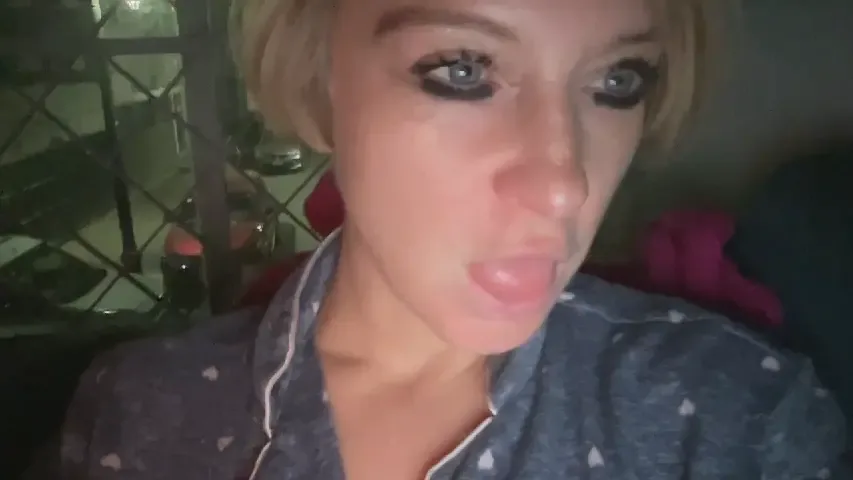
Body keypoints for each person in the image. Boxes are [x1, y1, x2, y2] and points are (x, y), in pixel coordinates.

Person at [48, 0, 849, 478]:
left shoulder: (732, 415)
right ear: (318, 82)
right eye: (462, 70)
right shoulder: (143, 411)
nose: (564, 183)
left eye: (617, 82)